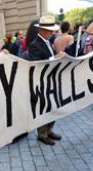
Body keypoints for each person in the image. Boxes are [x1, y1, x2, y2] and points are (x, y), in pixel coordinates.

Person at [25, 15, 65, 145]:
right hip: (41, 83)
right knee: (44, 108)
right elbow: (36, 64)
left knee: (53, 106)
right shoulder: (35, 44)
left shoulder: (47, 41)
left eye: (52, 30)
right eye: (49, 30)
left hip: (50, 80)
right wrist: (55, 58)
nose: (52, 32)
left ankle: (49, 130)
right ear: (41, 30)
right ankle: (42, 134)